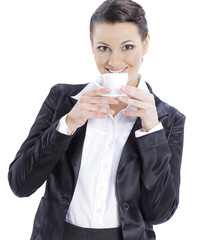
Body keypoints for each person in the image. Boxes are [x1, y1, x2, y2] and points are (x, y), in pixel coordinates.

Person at [8, 0, 185, 239]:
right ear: (91, 45)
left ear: (146, 43)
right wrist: (68, 124)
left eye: (127, 47)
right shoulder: (63, 99)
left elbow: (160, 212)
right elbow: (20, 184)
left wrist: (152, 132)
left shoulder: (167, 119)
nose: (114, 62)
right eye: (104, 48)